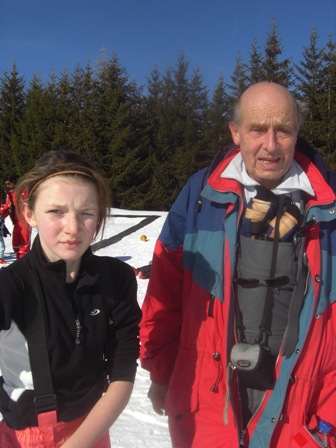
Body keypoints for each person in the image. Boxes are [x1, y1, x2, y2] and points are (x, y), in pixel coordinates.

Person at [140, 82, 336, 447]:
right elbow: (163, 298)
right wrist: (160, 373)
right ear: (235, 132)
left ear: (297, 133)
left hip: (303, 413)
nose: (271, 145)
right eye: (257, 129)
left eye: (284, 130)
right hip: (205, 406)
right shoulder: (200, 195)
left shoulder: (330, 205)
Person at [0, 150, 142, 447]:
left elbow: (123, 371)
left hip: (91, 432)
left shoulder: (115, 280)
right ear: (29, 213)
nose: (73, 228)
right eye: (56, 211)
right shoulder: (10, 286)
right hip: (24, 437)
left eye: (87, 213)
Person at [0, 174, 31, 259]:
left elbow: (31, 201)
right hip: (16, 222)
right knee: (16, 244)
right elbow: (7, 207)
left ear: (14, 182)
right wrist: (2, 215)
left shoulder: (24, 190)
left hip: (25, 220)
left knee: (24, 244)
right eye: (6, 184)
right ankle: (19, 263)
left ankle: (25, 264)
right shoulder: (10, 194)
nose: (7, 186)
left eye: (9, 183)